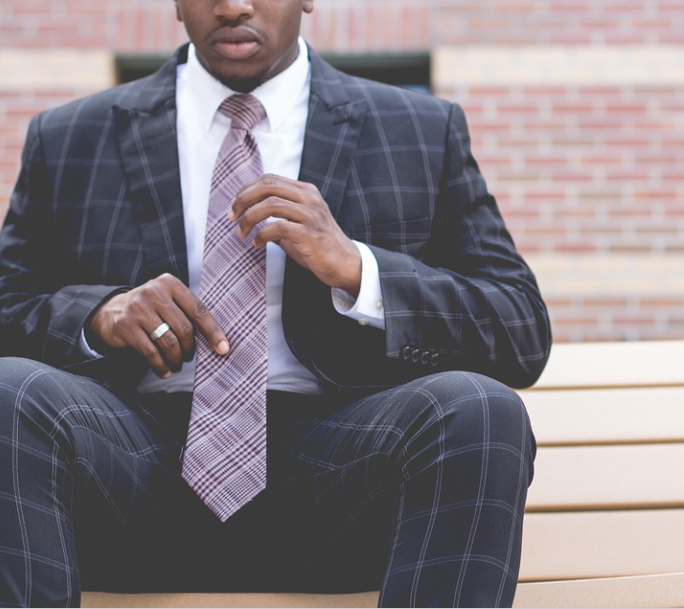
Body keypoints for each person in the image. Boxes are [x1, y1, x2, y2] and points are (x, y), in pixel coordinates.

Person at [0, 0, 551, 606]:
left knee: (478, 408)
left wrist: (359, 271)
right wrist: (97, 317)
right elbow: (8, 306)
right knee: (10, 391)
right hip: (126, 472)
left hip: (341, 479)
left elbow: (519, 329)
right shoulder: (70, 136)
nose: (233, 6)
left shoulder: (419, 128)